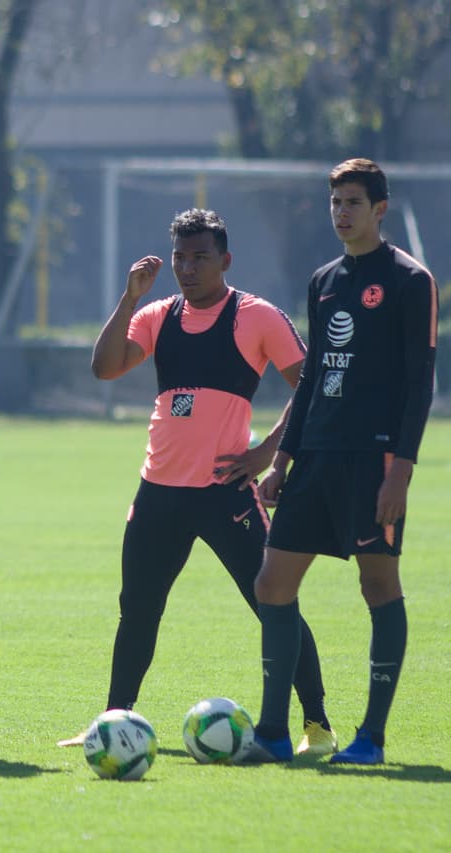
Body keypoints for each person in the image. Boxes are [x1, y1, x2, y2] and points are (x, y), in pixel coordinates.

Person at [56, 208, 334, 755]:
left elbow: (312, 384)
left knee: (272, 604)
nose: (187, 267)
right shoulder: (158, 314)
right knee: (137, 609)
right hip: (158, 491)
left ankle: (317, 726)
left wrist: (265, 453)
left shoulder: (256, 317)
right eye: (180, 257)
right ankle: (115, 724)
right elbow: (105, 367)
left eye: (200, 257)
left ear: (225, 260)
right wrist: (130, 297)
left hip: (225, 492)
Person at [246, 159, 438, 765]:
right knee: (272, 585)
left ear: (379, 209)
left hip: (373, 460)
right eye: (335, 203)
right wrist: (281, 460)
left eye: (353, 202)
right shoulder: (324, 280)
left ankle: (372, 739)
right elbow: (310, 380)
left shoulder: (411, 280)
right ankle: (273, 734)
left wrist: (401, 470)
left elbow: (420, 383)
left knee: (377, 584)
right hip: (317, 459)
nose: (341, 213)